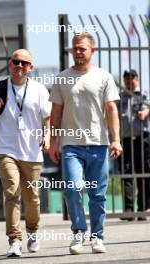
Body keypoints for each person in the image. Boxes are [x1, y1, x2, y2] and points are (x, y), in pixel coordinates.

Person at [49, 32, 122, 254]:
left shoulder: (104, 77)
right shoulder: (62, 78)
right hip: (71, 144)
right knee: (72, 188)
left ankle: (98, 236)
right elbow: (56, 112)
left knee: (98, 194)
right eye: (75, 48)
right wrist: (53, 141)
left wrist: (116, 139)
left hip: (99, 144)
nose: (78, 52)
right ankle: (79, 232)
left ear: (92, 50)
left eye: (82, 48)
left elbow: (111, 109)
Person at [0, 49, 51, 257]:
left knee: (32, 198)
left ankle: (33, 231)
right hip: (6, 149)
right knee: (11, 192)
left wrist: (47, 136)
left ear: (31, 68)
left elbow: (49, 117)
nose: (19, 66)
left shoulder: (38, 90)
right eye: (16, 62)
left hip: (31, 153)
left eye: (24, 63)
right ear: (10, 64)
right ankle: (14, 240)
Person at [118, 69, 150, 221]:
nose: (129, 82)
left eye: (131, 79)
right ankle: (129, 210)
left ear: (137, 79)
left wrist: (145, 112)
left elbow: (147, 107)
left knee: (143, 174)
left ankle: (142, 209)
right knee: (127, 175)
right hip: (125, 140)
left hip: (141, 139)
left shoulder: (143, 94)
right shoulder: (119, 96)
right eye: (126, 79)